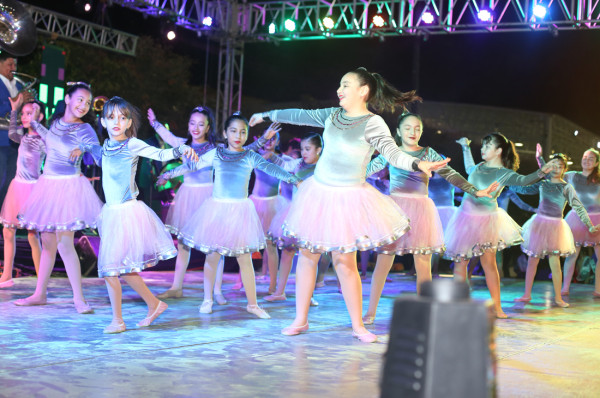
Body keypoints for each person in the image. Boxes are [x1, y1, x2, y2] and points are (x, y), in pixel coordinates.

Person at [248, 67, 450, 342]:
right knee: (307, 255)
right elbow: (300, 114)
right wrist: (267, 114)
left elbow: (392, 153)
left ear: (363, 91)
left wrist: (418, 163)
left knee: (345, 261)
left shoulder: (373, 123)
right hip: (319, 193)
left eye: (345, 85)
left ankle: (358, 325)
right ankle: (300, 319)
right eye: (339, 85)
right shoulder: (332, 115)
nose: (339, 90)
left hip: (350, 197)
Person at [362, 113, 498, 324]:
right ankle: (370, 312)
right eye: (407, 128)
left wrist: (475, 191)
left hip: (421, 209)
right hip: (395, 208)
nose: (412, 132)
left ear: (422, 132)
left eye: (417, 128)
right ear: (398, 131)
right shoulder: (391, 152)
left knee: (423, 263)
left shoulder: (428, 153)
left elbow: (451, 174)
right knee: (384, 260)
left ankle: (424, 312)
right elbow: (368, 169)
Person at [77, 96, 197, 333]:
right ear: (103, 121)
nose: (116, 122)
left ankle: (117, 320)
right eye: (111, 118)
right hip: (110, 213)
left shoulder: (131, 144)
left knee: (110, 269)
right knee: (124, 270)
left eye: (122, 118)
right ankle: (154, 304)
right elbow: (94, 151)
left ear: (129, 122)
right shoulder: (105, 147)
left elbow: (160, 155)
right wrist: (80, 147)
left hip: (127, 212)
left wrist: (181, 149)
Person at [176, 113, 300, 319]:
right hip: (217, 210)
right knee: (213, 256)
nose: (238, 135)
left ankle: (252, 304)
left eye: (243, 132)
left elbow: (271, 168)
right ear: (225, 133)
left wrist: (294, 179)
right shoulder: (216, 154)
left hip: (240, 211)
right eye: (233, 131)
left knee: (245, 259)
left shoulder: (250, 156)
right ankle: (207, 299)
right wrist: (168, 171)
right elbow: (193, 164)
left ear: (247, 135)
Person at [149, 108, 278, 303]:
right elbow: (167, 136)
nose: (196, 128)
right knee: (184, 243)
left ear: (208, 127)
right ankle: (177, 286)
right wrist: (155, 123)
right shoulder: (183, 145)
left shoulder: (215, 147)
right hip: (187, 196)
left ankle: (216, 291)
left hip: (210, 196)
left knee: (217, 243)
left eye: (201, 124)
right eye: (193, 123)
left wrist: (261, 140)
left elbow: (244, 149)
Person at [448, 133, 559, 318]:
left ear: (498, 150)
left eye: (487, 146)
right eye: (482, 145)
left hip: (487, 221)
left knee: (489, 264)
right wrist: (465, 147)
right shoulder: (479, 166)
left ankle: (497, 307)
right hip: (465, 217)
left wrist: (542, 171)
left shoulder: (503, 173)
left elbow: (523, 181)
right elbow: (469, 169)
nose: (482, 149)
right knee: (461, 263)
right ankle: (459, 304)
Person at [14, 82, 102, 313]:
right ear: (68, 99)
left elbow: (99, 158)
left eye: (87, 102)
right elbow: (51, 140)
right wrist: (33, 122)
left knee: (65, 244)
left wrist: (85, 148)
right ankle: (39, 294)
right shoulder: (55, 123)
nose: (83, 105)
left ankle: (79, 299)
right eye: (80, 99)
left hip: (69, 188)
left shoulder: (86, 129)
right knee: (48, 243)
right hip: (48, 185)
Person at [512, 153, 598, 308]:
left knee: (555, 263)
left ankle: (558, 297)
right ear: (548, 167)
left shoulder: (566, 187)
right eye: (554, 165)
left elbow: (578, 207)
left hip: (556, 227)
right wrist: (509, 183)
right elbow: (525, 190)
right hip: (539, 224)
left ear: (564, 169)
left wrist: (589, 224)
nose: (557, 168)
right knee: (532, 260)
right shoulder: (543, 184)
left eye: (560, 166)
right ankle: (526, 294)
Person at [264, 132, 323, 302]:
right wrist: (272, 157)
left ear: (318, 149)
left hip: (313, 215)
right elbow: (283, 164)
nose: (304, 153)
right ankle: (279, 292)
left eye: (308, 149)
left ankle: (308, 295)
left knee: (310, 256)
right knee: (287, 252)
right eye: (302, 149)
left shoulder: (322, 168)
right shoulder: (298, 164)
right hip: (295, 212)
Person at [537, 146, 600, 297]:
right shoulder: (571, 176)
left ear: (597, 163)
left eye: (591, 158)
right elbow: (550, 174)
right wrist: (540, 159)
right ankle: (565, 287)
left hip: (597, 218)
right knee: (572, 255)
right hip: (576, 219)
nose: (586, 160)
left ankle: (598, 289)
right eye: (584, 157)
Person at [0, 95, 45, 287]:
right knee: (8, 230)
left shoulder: (43, 140)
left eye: (30, 113)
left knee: (32, 235)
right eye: (24, 114)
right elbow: (11, 135)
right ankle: (6, 275)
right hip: (17, 187)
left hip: (33, 189)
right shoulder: (24, 136)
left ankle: (41, 279)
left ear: (40, 117)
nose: (25, 117)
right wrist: (14, 110)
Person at [249, 126, 288, 292]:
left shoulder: (281, 159)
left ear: (278, 141)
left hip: (272, 204)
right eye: (268, 137)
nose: (270, 141)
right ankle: (241, 281)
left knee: (271, 245)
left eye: (274, 138)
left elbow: (288, 167)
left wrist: (272, 156)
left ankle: (273, 284)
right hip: (255, 203)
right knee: (247, 244)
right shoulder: (256, 156)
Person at [0, 54, 30, 206]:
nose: (14, 68)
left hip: (16, 142)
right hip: (1, 140)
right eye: (10, 64)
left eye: (15, 65)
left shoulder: (18, 85)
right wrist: (16, 100)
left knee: (10, 184)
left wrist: (29, 104)